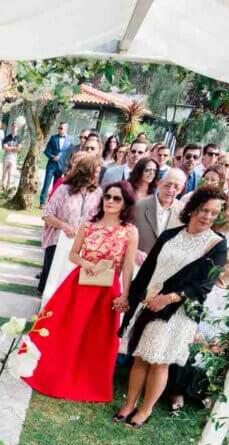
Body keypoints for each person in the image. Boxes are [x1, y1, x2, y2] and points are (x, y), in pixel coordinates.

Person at [116, 187, 228, 427]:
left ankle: (145, 410)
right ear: (192, 209)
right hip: (149, 303)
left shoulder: (216, 245)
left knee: (159, 361)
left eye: (214, 213)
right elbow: (147, 270)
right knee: (139, 357)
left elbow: (204, 285)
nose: (207, 216)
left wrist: (168, 298)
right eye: (203, 210)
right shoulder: (170, 235)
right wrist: (134, 297)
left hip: (177, 312)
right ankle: (129, 404)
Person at [23, 181, 138, 402]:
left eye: (117, 198)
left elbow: (128, 266)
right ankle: (54, 373)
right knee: (66, 329)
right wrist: (87, 264)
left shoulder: (130, 231)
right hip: (80, 284)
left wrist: (125, 294)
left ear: (125, 203)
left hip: (107, 289)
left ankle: (87, 380)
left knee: (96, 336)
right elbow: (73, 254)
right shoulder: (88, 225)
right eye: (108, 197)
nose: (110, 202)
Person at [38, 154, 103, 293]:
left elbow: (99, 219)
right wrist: (64, 226)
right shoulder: (64, 189)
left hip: (82, 246)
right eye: (94, 173)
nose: (96, 177)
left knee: (70, 284)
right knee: (53, 281)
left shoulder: (97, 192)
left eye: (98, 173)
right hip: (58, 241)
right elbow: (47, 214)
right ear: (85, 172)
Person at [132, 167, 186, 264]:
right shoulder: (138, 206)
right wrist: (134, 252)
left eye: (176, 187)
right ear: (159, 183)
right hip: (138, 267)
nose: (171, 190)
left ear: (181, 189)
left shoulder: (184, 212)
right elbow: (124, 235)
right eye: (168, 185)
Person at [39, 122, 74, 206]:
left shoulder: (70, 139)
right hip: (51, 165)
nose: (59, 129)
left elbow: (70, 153)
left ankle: (52, 202)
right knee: (46, 184)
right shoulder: (53, 138)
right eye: (59, 128)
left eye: (61, 128)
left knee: (56, 186)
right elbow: (46, 151)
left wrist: (68, 165)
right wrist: (52, 157)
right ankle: (42, 202)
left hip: (62, 167)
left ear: (66, 129)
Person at [1, 124, 21, 194]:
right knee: (4, 172)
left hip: (14, 157)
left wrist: (10, 148)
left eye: (15, 127)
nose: (13, 128)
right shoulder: (7, 137)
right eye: (12, 127)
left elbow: (18, 149)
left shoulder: (19, 138)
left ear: (17, 128)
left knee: (11, 173)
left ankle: (8, 187)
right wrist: (13, 148)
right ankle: (2, 186)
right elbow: (4, 147)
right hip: (6, 156)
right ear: (11, 128)